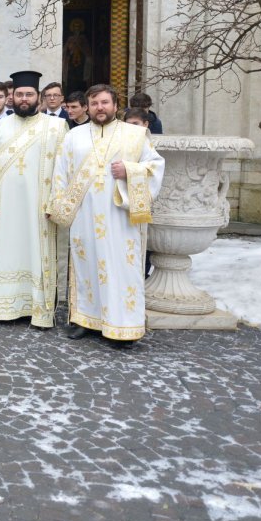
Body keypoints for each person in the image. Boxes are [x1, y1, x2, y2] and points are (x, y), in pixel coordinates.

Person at [48, 85, 164, 344]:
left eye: (104, 102)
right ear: (88, 107)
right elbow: (60, 174)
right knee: (85, 267)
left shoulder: (134, 135)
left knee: (119, 269)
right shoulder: (74, 136)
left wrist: (130, 171)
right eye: (94, 103)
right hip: (84, 216)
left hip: (119, 218)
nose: (99, 108)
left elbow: (155, 166)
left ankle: (122, 327)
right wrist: (58, 206)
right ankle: (85, 321)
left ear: (115, 105)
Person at [0, 71, 69, 329]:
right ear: (12, 97)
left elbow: (64, 168)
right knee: (8, 251)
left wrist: (56, 202)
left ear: (38, 97)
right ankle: (7, 307)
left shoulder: (56, 127)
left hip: (40, 207)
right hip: (7, 206)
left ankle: (39, 309)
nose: (23, 99)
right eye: (19, 94)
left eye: (29, 94)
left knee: (37, 254)